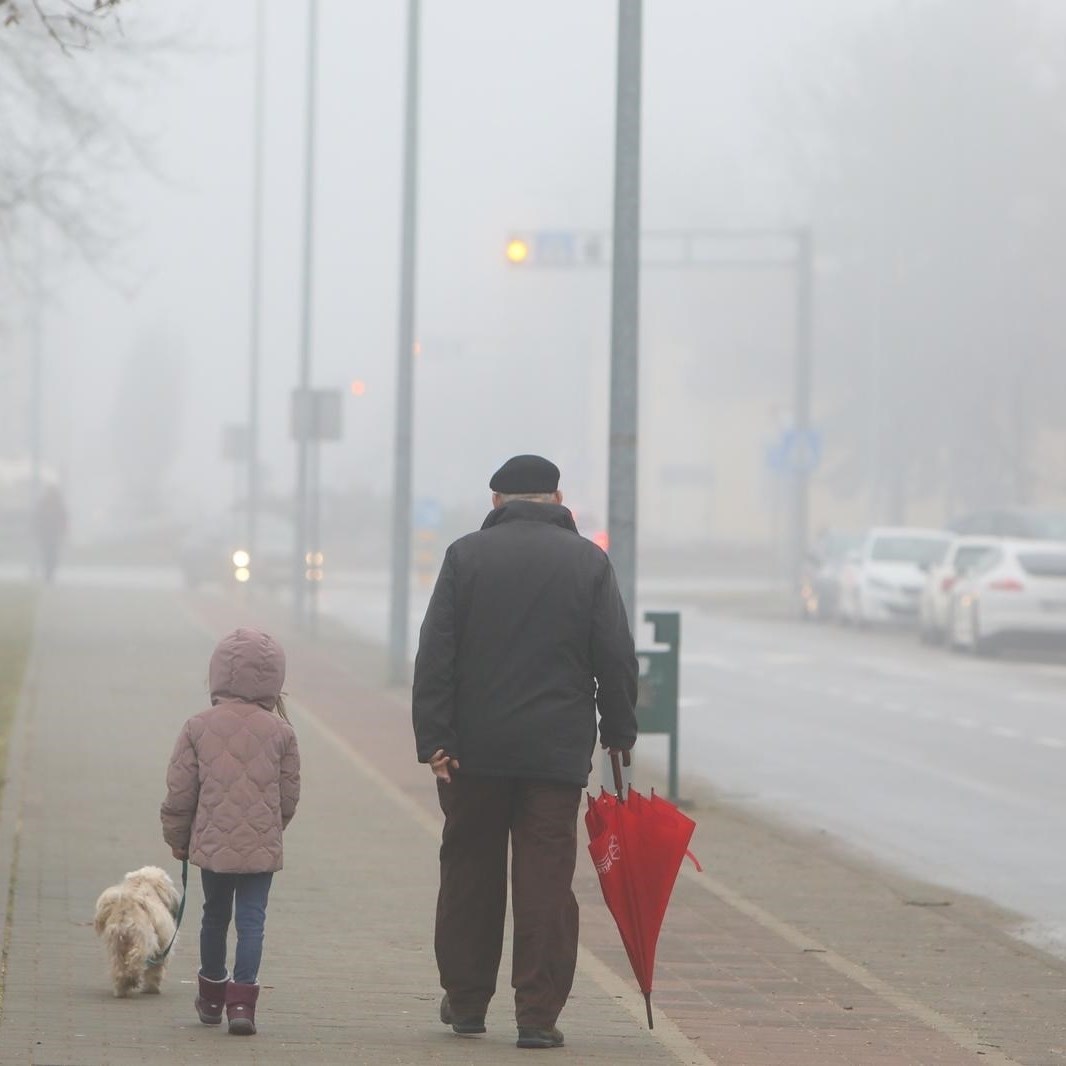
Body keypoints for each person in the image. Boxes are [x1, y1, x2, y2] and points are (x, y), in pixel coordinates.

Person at [412, 454, 638, 1051]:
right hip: (555, 756)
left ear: (496, 503)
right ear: (559, 499)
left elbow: (435, 651)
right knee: (545, 883)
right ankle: (537, 1015)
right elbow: (614, 655)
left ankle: (465, 1004)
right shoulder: (590, 562)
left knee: (469, 873)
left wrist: (434, 739)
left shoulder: (465, 557)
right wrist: (619, 730)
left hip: (473, 753)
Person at [160, 627, 300, 1036]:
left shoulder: (197, 726)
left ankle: (210, 997)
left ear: (218, 673)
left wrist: (178, 838)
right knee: (252, 921)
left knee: (214, 916)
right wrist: (272, 828)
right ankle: (242, 1004)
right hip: (260, 846)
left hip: (214, 846)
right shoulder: (282, 732)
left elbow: (181, 790)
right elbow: (288, 796)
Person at [32, 484, 67, 582]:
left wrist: (63, 531)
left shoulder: (56, 504)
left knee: (51, 555)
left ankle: (49, 574)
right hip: (47, 535)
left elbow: (63, 519)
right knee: (48, 555)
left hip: (51, 535)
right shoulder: (45, 503)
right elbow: (37, 518)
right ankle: (48, 574)